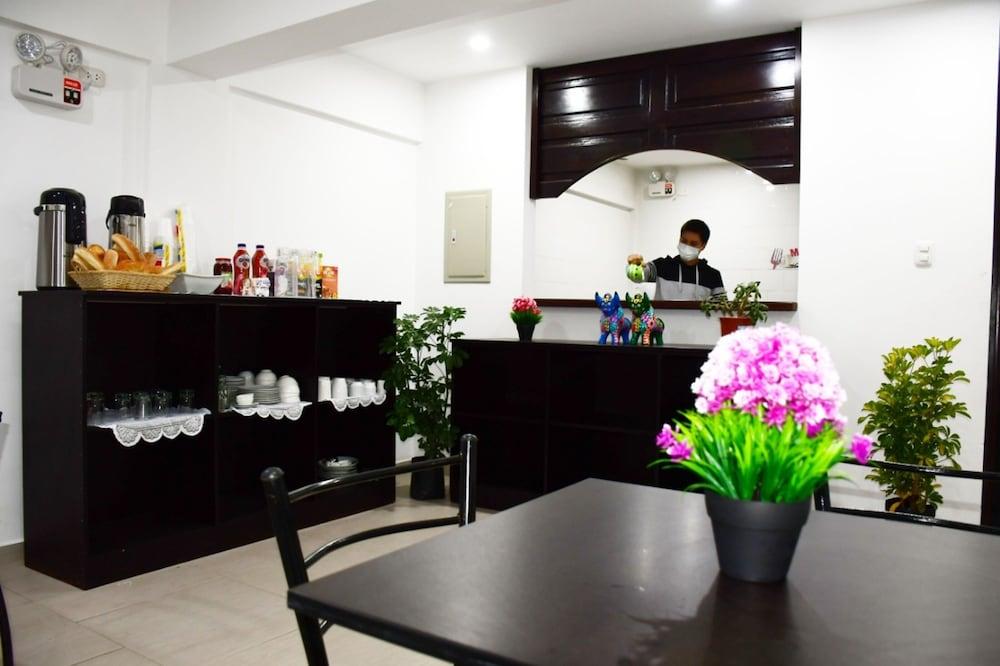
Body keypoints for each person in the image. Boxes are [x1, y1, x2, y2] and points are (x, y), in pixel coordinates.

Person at [626, 219, 725, 300]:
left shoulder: (712, 275)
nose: (687, 246)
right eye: (684, 241)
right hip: (661, 319)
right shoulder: (662, 266)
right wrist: (634, 266)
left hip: (697, 320)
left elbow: (721, 309)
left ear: (703, 246)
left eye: (693, 244)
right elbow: (637, 276)